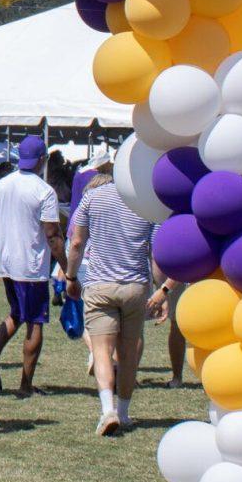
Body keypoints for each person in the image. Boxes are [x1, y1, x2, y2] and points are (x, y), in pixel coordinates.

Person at [65, 171, 164, 435]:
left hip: (99, 284)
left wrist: (70, 276)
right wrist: (161, 291)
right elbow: (155, 252)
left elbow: (76, 243)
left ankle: (107, 410)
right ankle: (124, 411)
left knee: (101, 351)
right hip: (135, 285)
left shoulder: (92, 198)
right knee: (128, 351)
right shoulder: (146, 203)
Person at [0, 134, 66, 398]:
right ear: (42, 159)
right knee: (35, 322)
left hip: (7, 263)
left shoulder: (0, 186)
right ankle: (25, 386)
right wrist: (67, 268)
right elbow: (52, 234)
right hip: (31, 266)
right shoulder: (44, 191)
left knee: (17, 313)